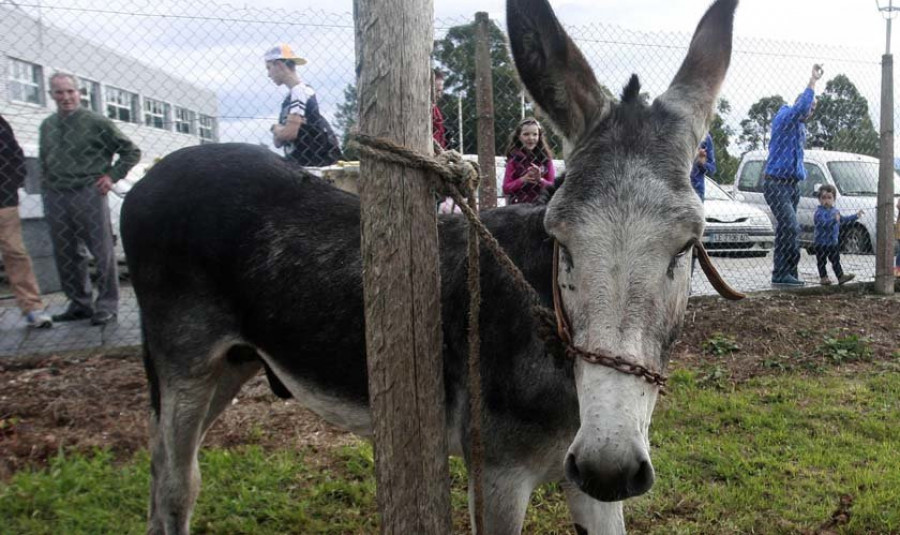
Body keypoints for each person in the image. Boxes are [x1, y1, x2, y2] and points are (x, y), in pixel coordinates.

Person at [39, 72, 141, 325]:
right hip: (55, 194)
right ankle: (79, 304)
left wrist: (111, 176)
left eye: (70, 91)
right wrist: (45, 185)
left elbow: (131, 151)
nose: (66, 97)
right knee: (66, 253)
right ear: (51, 95)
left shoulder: (96, 122)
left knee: (101, 251)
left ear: (79, 93)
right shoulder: (48, 125)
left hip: (88, 191)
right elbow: (44, 159)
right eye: (59, 92)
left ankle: (107, 305)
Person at [764, 63, 824, 287]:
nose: (811, 111)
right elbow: (802, 107)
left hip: (792, 185)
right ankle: (781, 273)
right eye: (811, 106)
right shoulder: (785, 117)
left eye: (814, 108)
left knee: (788, 230)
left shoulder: (800, 127)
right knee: (790, 226)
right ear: (801, 103)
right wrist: (813, 80)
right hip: (776, 183)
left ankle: (788, 273)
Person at [0, 114, 52, 328]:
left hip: (4, 201)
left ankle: (32, 308)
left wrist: (11, 184)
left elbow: (15, 156)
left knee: (16, 253)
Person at [265, 44, 343, 167]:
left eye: (269, 68)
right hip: (303, 162)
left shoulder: (300, 92)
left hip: (314, 164)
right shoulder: (289, 99)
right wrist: (281, 131)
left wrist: (276, 129)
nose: (268, 74)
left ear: (279, 64)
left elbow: (290, 133)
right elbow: (278, 143)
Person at [813, 184, 860, 285]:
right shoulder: (819, 212)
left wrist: (855, 216)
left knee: (835, 260)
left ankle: (840, 276)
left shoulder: (835, 211)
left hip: (832, 242)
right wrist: (834, 220)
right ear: (819, 199)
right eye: (823, 198)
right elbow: (823, 224)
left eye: (829, 198)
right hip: (821, 243)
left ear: (834, 199)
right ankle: (823, 277)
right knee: (821, 261)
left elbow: (843, 220)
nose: (826, 200)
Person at [502, 117, 555, 205]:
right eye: (526, 134)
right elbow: (506, 188)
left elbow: (553, 186)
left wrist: (540, 180)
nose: (531, 138)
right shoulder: (514, 159)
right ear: (519, 136)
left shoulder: (546, 159)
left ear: (539, 136)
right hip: (518, 207)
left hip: (541, 206)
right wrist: (523, 180)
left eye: (535, 134)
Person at [690, 132, 716, 200]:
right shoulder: (674, 132)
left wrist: (702, 163)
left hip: (696, 192)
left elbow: (712, 169)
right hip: (674, 188)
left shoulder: (705, 137)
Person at [432, 69, 447, 150]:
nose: (439, 95)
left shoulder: (436, 110)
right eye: (437, 91)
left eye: (441, 91)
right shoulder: (431, 109)